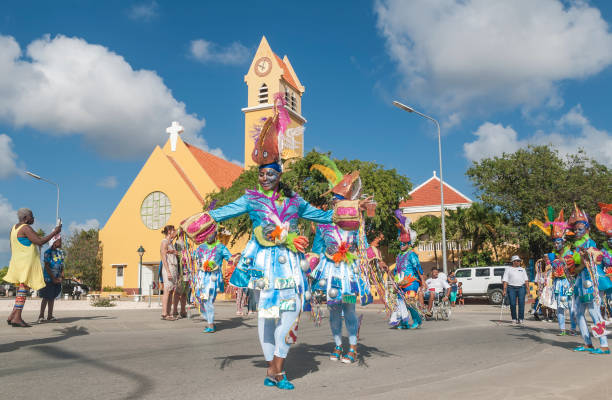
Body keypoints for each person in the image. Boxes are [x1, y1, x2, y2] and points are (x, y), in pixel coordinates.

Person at [181, 94, 371, 390]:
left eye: (270, 173)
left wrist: (349, 208)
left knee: (292, 311)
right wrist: (200, 220)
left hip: (292, 265)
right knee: (266, 316)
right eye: (261, 173)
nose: (264, 177)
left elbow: (324, 216)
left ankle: (275, 365)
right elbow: (222, 212)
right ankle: (277, 371)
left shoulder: (296, 201)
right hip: (264, 263)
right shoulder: (250, 198)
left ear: (280, 175)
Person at [309, 156, 377, 364]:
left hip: (348, 272)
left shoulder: (355, 223)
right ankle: (338, 345)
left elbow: (363, 243)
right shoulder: (323, 224)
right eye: (334, 200)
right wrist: (309, 268)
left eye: (339, 200)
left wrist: (371, 259)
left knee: (349, 308)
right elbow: (317, 249)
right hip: (330, 273)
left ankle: (353, 347)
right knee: (333, 309)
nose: (336, 203)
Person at [5, 208, 61, 327]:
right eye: (32, 216)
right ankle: (17, 317)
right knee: (23, 289)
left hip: (17, 262)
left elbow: (13, 245)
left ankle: (12, 315)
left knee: (21, 289)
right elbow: (40, 242)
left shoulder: (14, 228)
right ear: (25, 218)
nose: (33, 218)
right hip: (26, 263)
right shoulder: (25, 227)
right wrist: (55, 232)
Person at [566, 204, 610, 354]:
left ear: (587, 229)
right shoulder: (576, 246)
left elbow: (594, 259)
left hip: (590, 281)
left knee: (594, 312)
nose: (577, 231)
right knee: (578, 312)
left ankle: (604, 345)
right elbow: (576, 265)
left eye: (580, 229)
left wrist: (581, 258)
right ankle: (587, 343)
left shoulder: (590, 243)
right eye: (575, 229)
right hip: (580, 281)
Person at [385, 209, 423, 329]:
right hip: (401, 282)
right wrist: (390, 273)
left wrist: (423, 281)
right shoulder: (399, 256)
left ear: (409, 243)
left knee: (410, 301)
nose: (402, 246)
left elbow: (418, 268)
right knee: (400, 303)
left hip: (412, 282)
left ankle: (417, 320)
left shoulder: (411, 254)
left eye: (404, 244)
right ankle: (404, 322)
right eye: (400, 244)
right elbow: (397, 270)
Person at [191, 230, 233, 333]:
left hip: (213, 278)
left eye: (211, 234)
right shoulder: (201, 247)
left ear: (215, 234)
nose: (208, 236)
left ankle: (210, 324)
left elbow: (230, 259)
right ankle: (208, 318)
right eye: (207, 234)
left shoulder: (221, 247)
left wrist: (237, 260)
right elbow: (194, 257)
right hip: (201, 276)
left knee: (208, 299)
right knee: (200, 297)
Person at [38, 235, 64, 323]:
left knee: (52, 297)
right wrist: (53, 278)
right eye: (59, 241)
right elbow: (47, 266)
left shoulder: (60, 253)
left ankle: (50, 315)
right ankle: (41, 316)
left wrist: (61, 276)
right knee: (46, 297)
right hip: (48, 279)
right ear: (54, 242)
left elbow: (62, 265)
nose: (61, 242)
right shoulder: (47, 252)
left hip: (57, 278)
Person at [502, 255, 530, 324]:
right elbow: (505, 280)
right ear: (513, 262)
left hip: (521, 288)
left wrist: (528, 289)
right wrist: (504, 290)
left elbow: (526, 280)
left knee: (521, 303)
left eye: (519, 261)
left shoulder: (522, 269)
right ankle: (514, 318)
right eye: (517, 261)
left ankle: (521, 318)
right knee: (512, 304)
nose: (519, 262)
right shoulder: (508, 269)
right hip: (511, 288)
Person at [160, 225, 179, 321]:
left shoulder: (171, 243)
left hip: (174, 267)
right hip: (169, 268)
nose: (174, 232)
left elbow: (176, 234)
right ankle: (164, 313)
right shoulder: (164, 242)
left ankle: (168, 312)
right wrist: (168, 271)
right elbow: (163, 257)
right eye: (173, 231)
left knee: (171, 290)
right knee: (167, 290)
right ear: (169, 232)